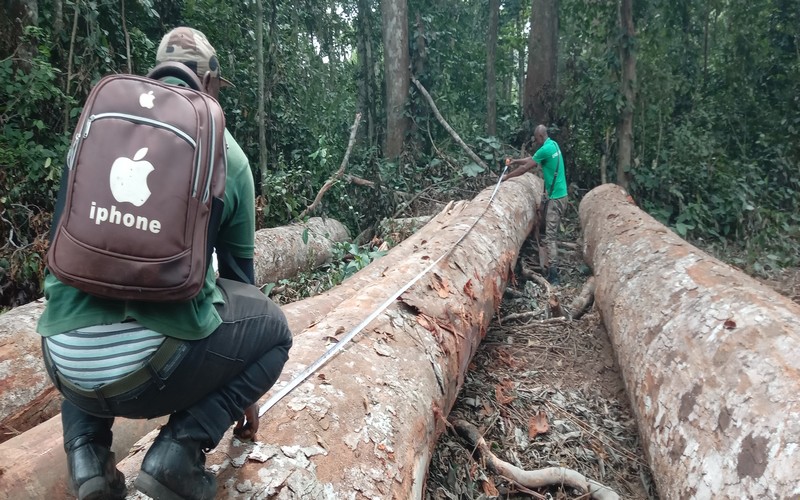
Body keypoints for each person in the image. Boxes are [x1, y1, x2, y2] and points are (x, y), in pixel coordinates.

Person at [37, 27, 293, 500]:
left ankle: (87, 457)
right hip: (153, 374)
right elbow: (242, 286)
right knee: (274, 331)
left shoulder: (98, 128)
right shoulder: (227, 154)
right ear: (210, 84)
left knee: (85, 296)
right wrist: (242, 397)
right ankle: (178, 452)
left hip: (61, 362)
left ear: (156, 70)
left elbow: (61, 254)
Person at [502, 124, 567, 285]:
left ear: (539, 137)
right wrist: (515, 160)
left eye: (535, 138)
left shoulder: (545, 149)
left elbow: (526, 168)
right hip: (560, 196)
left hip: (556, 199)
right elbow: (531, 159)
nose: (535, 141)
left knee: (551, 236)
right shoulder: (553, 145)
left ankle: (554, 276)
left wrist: (507, 177)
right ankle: (548, 264)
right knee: (548, 231)